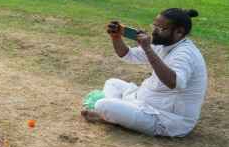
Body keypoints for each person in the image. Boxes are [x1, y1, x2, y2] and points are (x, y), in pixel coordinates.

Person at [82, 9, 208, 137]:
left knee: (102, 105)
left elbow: (174, 83)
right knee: (112, 83)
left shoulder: (184, 54)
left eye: (160, 28)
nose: (154, 31)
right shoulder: (164, 43)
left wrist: (148, 49)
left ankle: (111, 114)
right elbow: (127, 54)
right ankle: (118, 114)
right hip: (144, 100)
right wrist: (116, 37)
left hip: (166, 119)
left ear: (179, 32)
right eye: (154, 26)